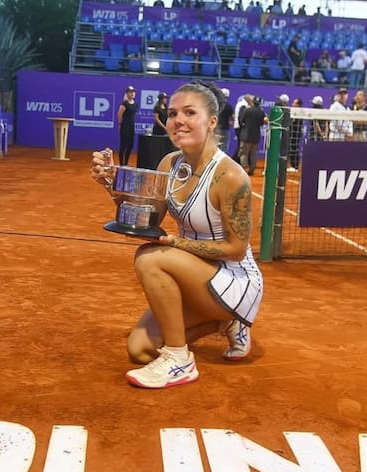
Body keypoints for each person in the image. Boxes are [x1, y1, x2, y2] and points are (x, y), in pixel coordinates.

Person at [89, 81, 264, 389]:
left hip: (235, 282)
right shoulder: (170, 164)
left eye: (189, 112)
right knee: (139, 349)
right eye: (172, 113)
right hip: (196, 276)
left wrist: (176, 243)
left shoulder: (231, 176)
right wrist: (112, 185)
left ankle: (179, 359)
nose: (177, 120)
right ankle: (224, 322)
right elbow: (149, 220)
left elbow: (236, 249)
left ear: (211, 122)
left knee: (149, 259)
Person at [238, 95, 268, 176]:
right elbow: (262, 123)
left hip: (246, 135)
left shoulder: (247, 110)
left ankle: (245, 168)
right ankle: (252, 169)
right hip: (256, 136)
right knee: (253, 154)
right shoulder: (261, 112)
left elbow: (241, 120)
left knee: (243, 153)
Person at [117, 86, 138, 165]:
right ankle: (121, 164)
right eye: (130, 92)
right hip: (124, 125)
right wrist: (120, 124)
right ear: (127, 94)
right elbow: (119, 114)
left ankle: (126, 163)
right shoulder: (124, 103)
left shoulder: (136, 104)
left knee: (130, 145)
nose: (132, 94)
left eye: (133, 92)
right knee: (123, 145)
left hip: (131, 126)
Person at [287, 97, 303, 171]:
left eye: (294, 103)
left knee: (294, 149)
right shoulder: (293, 111)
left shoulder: (298, 112)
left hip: (295, 134)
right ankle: (293, 166)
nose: (293, 104)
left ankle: (295, 166)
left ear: (298, 105)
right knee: (292, 149)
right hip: (292, 133)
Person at [217, 88, 234, 155]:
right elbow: (233, 117)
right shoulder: (229, 106)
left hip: (216, 128)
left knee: (215, 144)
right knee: (224, 146)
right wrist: (231, 122)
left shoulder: (217, 105)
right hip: (225, 128)